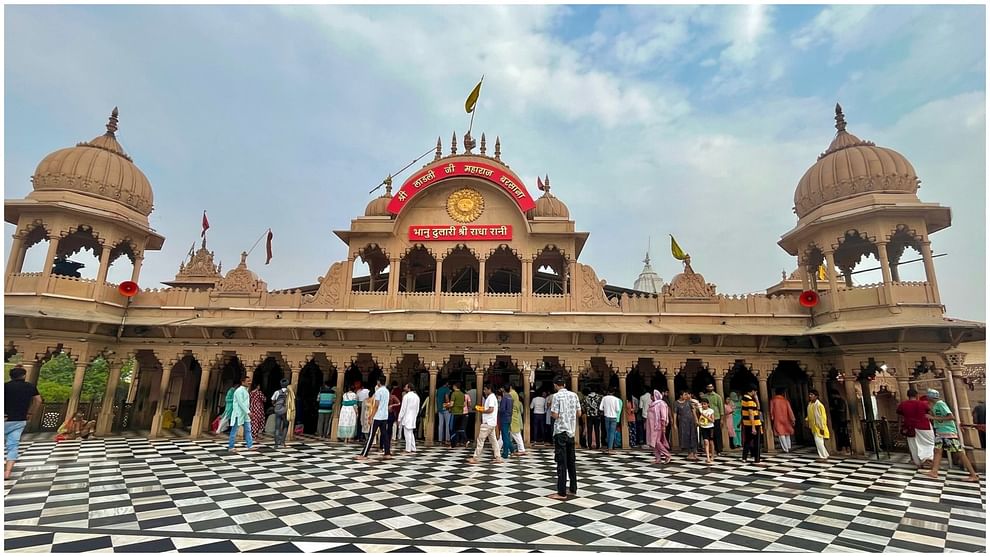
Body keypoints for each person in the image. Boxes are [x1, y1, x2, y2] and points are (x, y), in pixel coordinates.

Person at [925, 389, 979, 482]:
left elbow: (951, 417)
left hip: (948, 432)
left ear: (930, 397)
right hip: (940, 431)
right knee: (937, 451)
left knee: (959, 452)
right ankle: (934, 471)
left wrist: (933, 417)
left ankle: (973, 474)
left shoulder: (941, 404)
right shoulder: (935, 405)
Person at [5, 366, 41, 479]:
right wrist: (31, 413)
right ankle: (7, 472)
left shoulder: (5, 386)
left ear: (11, 376)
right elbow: (38, 400)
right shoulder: (30, 387)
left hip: (5, 417)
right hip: (19, 419)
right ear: (24, 375)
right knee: (13, 445)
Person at [548, 376, 581, 500]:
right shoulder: (574, 395)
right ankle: (573, 488)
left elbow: (555, 415)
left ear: (556, 385)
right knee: (571, 461)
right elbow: (579, 413)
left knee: (561, 462)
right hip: (571, 432)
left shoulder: (556, 396)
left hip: (560, 431)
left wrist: (553, 412)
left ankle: (561, 492)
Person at [896, 388, 934, 469]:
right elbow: (929, 413)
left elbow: (900, 416)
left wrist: (899, 426)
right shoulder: (922, 404)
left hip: (909, 427)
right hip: (924, 426)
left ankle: (918, 463)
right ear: (917, 395)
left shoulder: (903, 404)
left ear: (908, 395)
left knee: (913, 445)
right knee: (928, 443)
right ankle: (928, 458)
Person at [357, 377, 392, 460]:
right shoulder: (387, 391)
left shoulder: (379, 391)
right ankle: (387, 453)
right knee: (384, 434)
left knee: (371, 435)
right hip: (384, 416)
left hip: (378, 416)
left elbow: (376, 405)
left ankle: (364, 454)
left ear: (378, 382)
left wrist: (371, 416)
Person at [467, 384, 502, 465]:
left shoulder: (491, 398)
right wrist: (482, 409)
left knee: (480, 440)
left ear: (489, 389)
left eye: (485, 389)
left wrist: (481, 410)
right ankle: (498, 457)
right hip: (492, 423)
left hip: (488, 423)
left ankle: (475, 458)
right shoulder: (492, 397)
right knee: (494, 441)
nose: (484, 391)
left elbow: (490, 410)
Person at [228, 375, 255, 452]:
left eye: (250, 381)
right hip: (238, 413)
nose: (250, 382)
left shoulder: (245, 391)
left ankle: (250, 445)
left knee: (248, 429)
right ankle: (231, 447)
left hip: (245, 414)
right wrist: (248, 412)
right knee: (234, 430)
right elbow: (241, 403)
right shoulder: (239, 391)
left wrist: (247, 412)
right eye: (248, 381)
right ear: (243, 382)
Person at [647, 390, 672, 464]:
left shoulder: (661, 404)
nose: (651, 397)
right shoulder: (652, 404)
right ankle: (658, 458)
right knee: (653, 442)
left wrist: (663, 425)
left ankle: (667, 455)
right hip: (651, 426)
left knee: (657, 442)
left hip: (658, 426)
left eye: (652, 396)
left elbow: (663, 416)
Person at [741, 385, 764, 464]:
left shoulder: (745, 398)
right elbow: (751, 414)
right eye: (755, 391)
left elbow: (758, 408)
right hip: (754, 423)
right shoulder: (749, 399)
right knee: (756, 441)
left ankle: (744, 457)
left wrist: (756, 398)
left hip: (747, 423)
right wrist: (753, 427)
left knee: (747, 440)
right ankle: (757, 458)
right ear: (752, 391)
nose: (756, 393)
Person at [769, 388, 796, 453]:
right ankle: (789, 447)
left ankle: (785, 449)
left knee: (781, 434)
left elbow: (771, 411)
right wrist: (793, 419)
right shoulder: (785, 401)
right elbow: (790, 411)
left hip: (777, 419)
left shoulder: (773, 400)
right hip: (786, 419)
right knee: (787, 433)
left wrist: (772, 417)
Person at [674, 391, 698, 461]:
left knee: (693, 436)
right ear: (681, 396)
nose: (686, 396)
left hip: (691, 421)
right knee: (686, 436)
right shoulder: (676, 403)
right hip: (683, 422)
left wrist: (696, 419)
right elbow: (675, 413)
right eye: (685, 395)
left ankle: (695, 452)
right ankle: (689, 452)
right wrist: (674, 423)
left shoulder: (688, 402)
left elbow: (693, 411)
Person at [806, 390, 830, 461]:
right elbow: (810, 414)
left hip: (819, 426)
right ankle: (825, 454)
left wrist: (822, 427)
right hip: (813, 426)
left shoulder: (819, 405)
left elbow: (823, 417)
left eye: (812, 395)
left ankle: (823, 456)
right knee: (819, 441)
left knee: (818, 441)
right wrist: (807, 419)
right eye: (810, 394)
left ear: (816, 396)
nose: (810, 396)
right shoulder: (810, 404)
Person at [271, 379, 295, 449]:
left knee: (277, 427)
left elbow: (272, 401)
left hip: (278, 410)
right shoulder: (290, 392)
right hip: (286, 411)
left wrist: (275, 405)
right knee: (285, 426)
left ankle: (276, 444)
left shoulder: (277, 392)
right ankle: (282, 442)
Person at [398, 383, 420, 454]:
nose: (405, 388)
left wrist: (399, 418)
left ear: (409, 388)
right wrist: (415, 416)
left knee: (407, 433)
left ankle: (408, 449)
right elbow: (417, 409)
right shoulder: (417, 397)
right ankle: (413, 448)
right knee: (410, 433)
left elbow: (403, 408)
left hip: (407, 417)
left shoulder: (406, 396)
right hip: (413, 417)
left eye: (406, 387)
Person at [599, 388, 622, 454]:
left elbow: (600, 408)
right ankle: (610, 448)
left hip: (606, 417)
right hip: (614, 417)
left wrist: (606, 410)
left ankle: (608, 447)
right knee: (612, 433)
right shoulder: (616, 399)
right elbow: (617, 409)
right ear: (613, 392)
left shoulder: (604, 398)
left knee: (608, 432)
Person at [703, 384, 724, 455]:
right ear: (706, 388)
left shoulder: (717, 396)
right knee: (708, 434)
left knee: (717, 433)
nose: (710, 388)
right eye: (708, 387)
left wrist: (722, 419)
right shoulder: (704, 396)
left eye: (711, 387)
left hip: (716, 417)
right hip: (706, 417)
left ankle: (719, 450)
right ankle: (710, 449)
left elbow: (721, 408)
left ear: (713, 387)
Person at [508, 384, 526, 456]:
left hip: (512, 416)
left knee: (515, 433)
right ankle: (497, 449)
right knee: (504, 433)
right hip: (513, 415)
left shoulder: (511, 394)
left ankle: (521, 449)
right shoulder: (515, 394)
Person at [498, 387, 515, 459]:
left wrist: (497, 409)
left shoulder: (504, 397)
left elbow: (502, 409)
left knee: (505, 436)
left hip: (504, 418)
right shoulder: (510, 397)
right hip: (509, 418)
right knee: (506, 435)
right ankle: (512, 449)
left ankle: (505, 453)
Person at [698, 398, 716, 464]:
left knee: (711, 441)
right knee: (706, 441)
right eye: (702, 404)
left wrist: (705, 416)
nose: (703, 405)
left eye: (705, 404)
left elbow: (713, 420)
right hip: (703, 427)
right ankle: (708, 457)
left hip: (710, 427)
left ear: (708, 404)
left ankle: (713, 455)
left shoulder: (711, 410)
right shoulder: (700, 410)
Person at [449, 383, 467, 448]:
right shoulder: (463, 394)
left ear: (454, 386)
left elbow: (451, 404)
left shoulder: (454, 394)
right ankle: (459, 442)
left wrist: (448, 406)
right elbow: (465, 404)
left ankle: (453, 444)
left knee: (452, 428)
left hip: (454, 413)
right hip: (461, 413)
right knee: (458, 428)